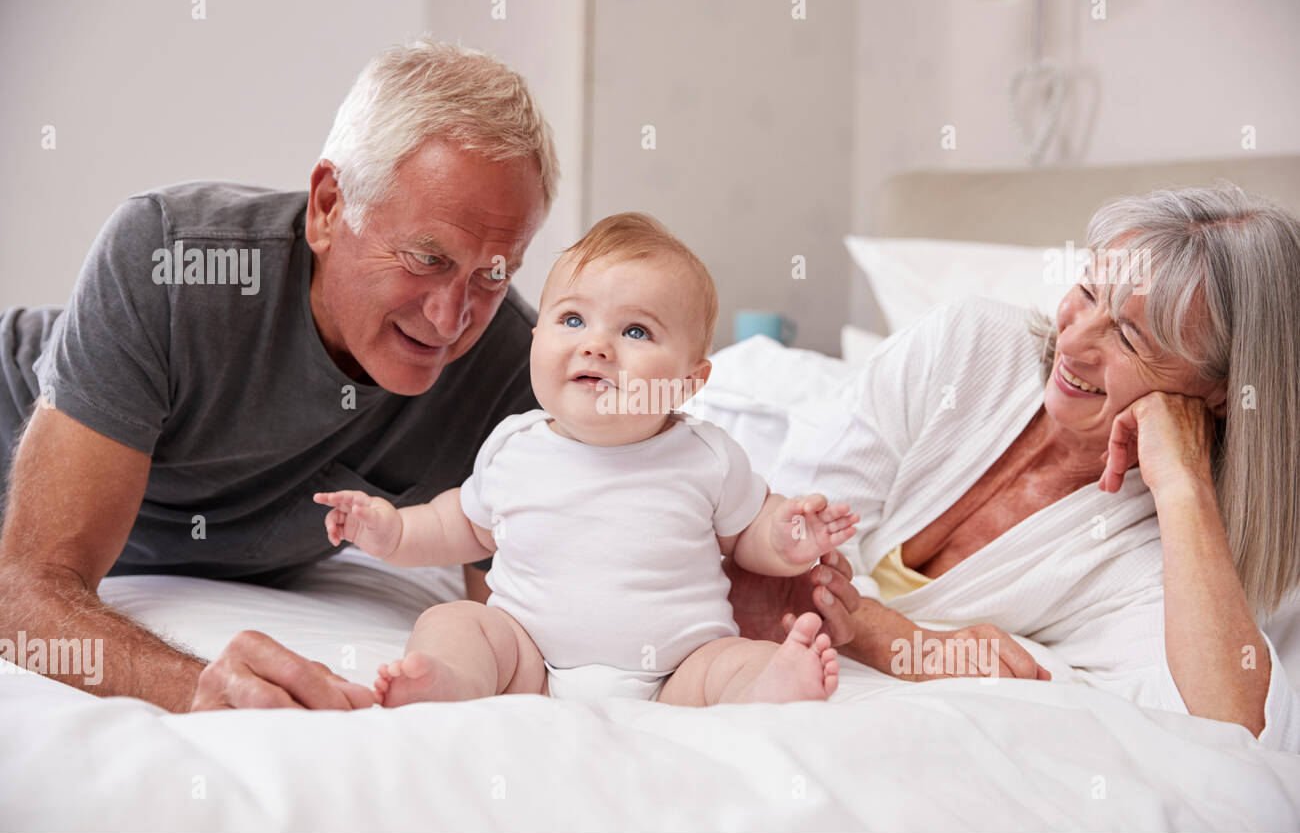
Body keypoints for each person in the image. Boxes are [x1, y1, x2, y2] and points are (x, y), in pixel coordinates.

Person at [0, 38, 559, 713]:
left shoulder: (512, 374)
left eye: (494, 273)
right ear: (329, 206)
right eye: (426, 258)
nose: (451, 319)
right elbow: (23, 594)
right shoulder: (169, 260)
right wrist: (200, 688)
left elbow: (522, 625)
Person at [769, 185, 1300, 753]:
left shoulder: (1153, 545)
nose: (1072, 339)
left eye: (1128, 335)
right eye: (1089, 291)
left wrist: (1184, 487)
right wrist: (906, 642)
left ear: (1221, 390)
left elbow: (1235, 734)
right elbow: (785, 541)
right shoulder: (968, 340)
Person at [315, 213, 856, 706]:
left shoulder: (707, 455)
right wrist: (392, 533)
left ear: (691, 382)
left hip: (678, 669)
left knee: (738, 662)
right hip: (531, 660)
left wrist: (788, 539)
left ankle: (772, 686)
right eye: (573, 320)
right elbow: (456, 522)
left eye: (636, 331)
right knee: (454, 622)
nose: (596, 345)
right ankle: (445, 678)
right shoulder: (513, 446)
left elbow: (749, 535)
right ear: (535, 340)